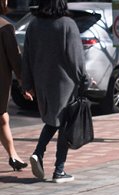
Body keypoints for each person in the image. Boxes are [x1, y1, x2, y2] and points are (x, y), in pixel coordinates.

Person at [22, 0, 88, 183]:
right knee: (63, 124)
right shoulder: (67, 24)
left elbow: (26, 55)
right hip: (65, 82)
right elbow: (75, 58)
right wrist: (84, 79)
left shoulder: (34, 24)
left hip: (42, 81)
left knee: (53, 120)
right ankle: (59, 169)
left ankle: (39, 154)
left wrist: (27, 84)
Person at [0, 0, 27, 172]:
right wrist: (24, 82)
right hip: (1, 81)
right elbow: (15, 59)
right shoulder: (5, 27)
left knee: (3, 118)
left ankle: (13, 155)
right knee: (2, 117)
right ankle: (13, 155)